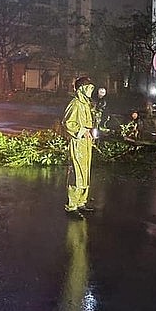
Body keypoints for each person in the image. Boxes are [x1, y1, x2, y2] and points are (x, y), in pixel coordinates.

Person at [62, 76, 96, 217]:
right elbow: (67, 122)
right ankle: (72, 206)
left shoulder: (86, 104)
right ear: (82, 89)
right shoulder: (75, 104)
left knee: (85, 172)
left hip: (86, 143)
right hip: (78, 143)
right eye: (87, 87)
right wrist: (81, 132)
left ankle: (82, 202)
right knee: (77, 173)